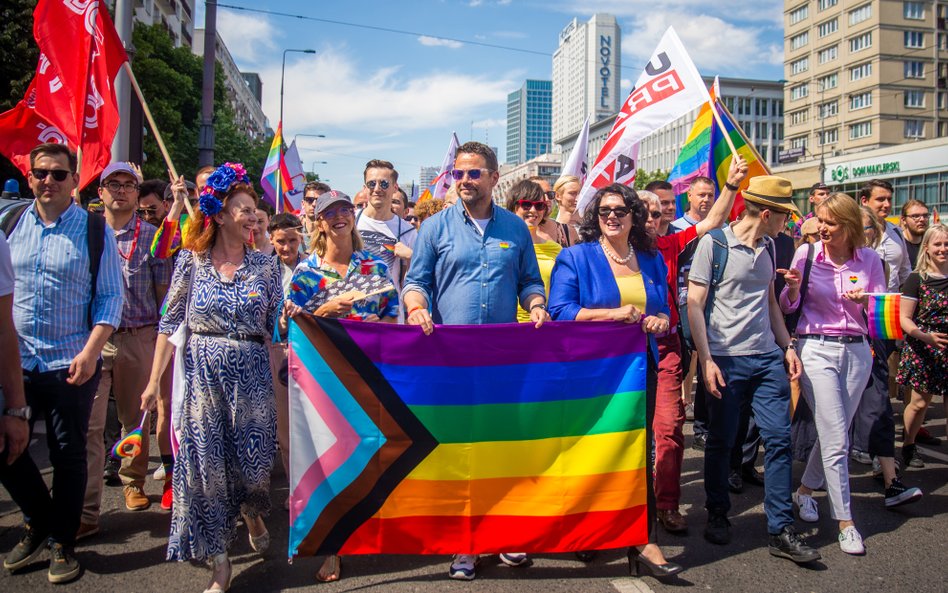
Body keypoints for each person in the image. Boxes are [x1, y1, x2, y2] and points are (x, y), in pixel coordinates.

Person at [402, 142, 548, 581]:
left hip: (503, 361)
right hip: (452, 360)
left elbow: (529, 281)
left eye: (474, 173)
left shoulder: (515, 229)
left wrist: (536, 304)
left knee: (503, 449)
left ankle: (506, 534)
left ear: (494, 177)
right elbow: (416, 282)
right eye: (459, 174)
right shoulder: (434, 227)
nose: (464, 180)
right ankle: (464, 544)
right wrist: (416, 308)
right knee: (461, 452)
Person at [139, 163, 282, 593]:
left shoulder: (267, 267)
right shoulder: (191, 261)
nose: (253, 218)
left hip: (252, 379)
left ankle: (251, 513)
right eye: (244, 210)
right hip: (203, 377)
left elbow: (278, 327)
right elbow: (169, 323)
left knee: (254, 470)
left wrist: (295, 322)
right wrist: (153, 381)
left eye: (255, 211)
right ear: (219, 215)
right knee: (206, 472)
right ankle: (220, 563)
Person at [1, 143, 124, 584]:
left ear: (75, 180)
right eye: (40, 173)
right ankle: (39, 520)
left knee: (68, 454)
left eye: (58, 174)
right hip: (16, 362)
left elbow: (111, 297)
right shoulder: (10, 224)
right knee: (6, 446)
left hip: (71, 361)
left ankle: (61, 541)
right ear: (29, 177)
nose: (48, 181)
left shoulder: (94, 230)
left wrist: (91, 352)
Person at [547, 183, 682, 579]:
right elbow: (560, 310)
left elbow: (664, 310)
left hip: (640, 369)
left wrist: (660, 321)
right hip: (592, 372)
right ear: (595, 216)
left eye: (620, 210)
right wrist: (612, 315)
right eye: (604, 210)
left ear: (633, 216)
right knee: (592, 451)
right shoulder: (576, 256)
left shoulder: (650, 258)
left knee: (638, 451)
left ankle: (644, 539)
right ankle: (589, 529)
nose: (611, 216)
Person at [687, 175, 821, 564]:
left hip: (766, 359)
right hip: (726, 359)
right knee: (722, 440)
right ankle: (717, 512)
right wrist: (707, 359)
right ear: (765, 214)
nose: (788, 222)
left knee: (778, 440)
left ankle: (781, 528)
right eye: (784, 215)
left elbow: (771, 303)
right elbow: (695, 304)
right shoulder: (714, 244)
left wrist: (787, 346)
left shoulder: (770, 247)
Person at [284, 190, 399, 583]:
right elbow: (289, 329)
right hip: (324, 381)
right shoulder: (305, 273)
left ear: (353, 215)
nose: (339, 217)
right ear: (319, 222)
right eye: (329, 212)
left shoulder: (375, 266)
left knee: (371, 453)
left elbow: (392, 316)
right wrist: (324, 312)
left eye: (345, 210)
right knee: (330, 460)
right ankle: (332, 547)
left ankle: (367, 533)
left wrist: (374, 328)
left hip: (367, 375)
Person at [642, 156, 746, 534]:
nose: (653, 220)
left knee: (670, 427)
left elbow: (714, 221)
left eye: (659, 214)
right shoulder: (604, 252)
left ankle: (667, 505)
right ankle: (623, 506)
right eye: (645, 213)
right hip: (623, 353)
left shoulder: (669, 245)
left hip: (667, 347)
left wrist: (731, 184)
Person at [778, 193, 885, 555]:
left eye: (830, 222)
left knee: (833, 432)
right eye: (820, 220)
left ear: (849, 225)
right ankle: (845, 522)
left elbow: (880, 311)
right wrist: (792, 289)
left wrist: (866, 300)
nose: (822, 227)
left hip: (858, 351)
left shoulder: (870, 259)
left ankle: (805, 491)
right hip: (816, 348)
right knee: (837, 436)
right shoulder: (806, 254)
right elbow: (788, 306)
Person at [82, 162, 172, 538]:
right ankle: (86, 507)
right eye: (113, 184)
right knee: (89, 423)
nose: (120, 190)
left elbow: (164, 294)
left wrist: (160, 340)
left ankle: (133, 482)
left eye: (128, 185)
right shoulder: (86, 232)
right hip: (93, 340)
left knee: (135, 419)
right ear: (100, 191)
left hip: (139, 335)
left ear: (137, 194)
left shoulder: (153, 237)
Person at [897, 224, 948, 469]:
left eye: (946, 244)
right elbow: (905, 318)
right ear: (926, 248)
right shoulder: (916, 279)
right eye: (937, 244)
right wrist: (926, 337)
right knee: (919, 404)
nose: (943, 249)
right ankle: (908, 444)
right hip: (924, 348)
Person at [266, 212, 305, 481]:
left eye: (292, 240)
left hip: (309, 348)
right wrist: (278, 321)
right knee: (285, 423)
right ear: (271, 239)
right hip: (277, 348)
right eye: (281, 241)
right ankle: (294, 486)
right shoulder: (263, 270)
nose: (287, 247)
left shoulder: (312, 267)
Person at [356, 160, 416, 312]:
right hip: (354, 312)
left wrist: (411, 257)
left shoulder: (408, 231)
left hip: (390, 314)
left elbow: (415, 281)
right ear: (365, 188)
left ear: (395, 187)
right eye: (371, 184)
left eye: (384, 184)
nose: (377, 189)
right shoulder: (350, 222)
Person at [506, 179, 562, 322]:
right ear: (513, 207)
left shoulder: (555, 249)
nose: (533, 210)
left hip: (540, 323)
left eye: (539, 206)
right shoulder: (499, 245)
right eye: (526, 204)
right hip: (506, 324)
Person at [529, 175, 578, 247]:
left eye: (550, 194)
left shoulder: (568, 232)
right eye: (539, 195)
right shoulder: (518, 232)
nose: (547, 199)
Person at [300, 181, 332, 252]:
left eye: (319, 201)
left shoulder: (333, 236)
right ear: (303, 203)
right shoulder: (294, 235)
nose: (314, 204)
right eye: (309, 200)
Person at [901, 199, 930, 269]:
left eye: (925, 215)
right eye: (916, 216)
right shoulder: (897, 244)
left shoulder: (932, 243)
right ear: (904, 220)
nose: (922, 219)